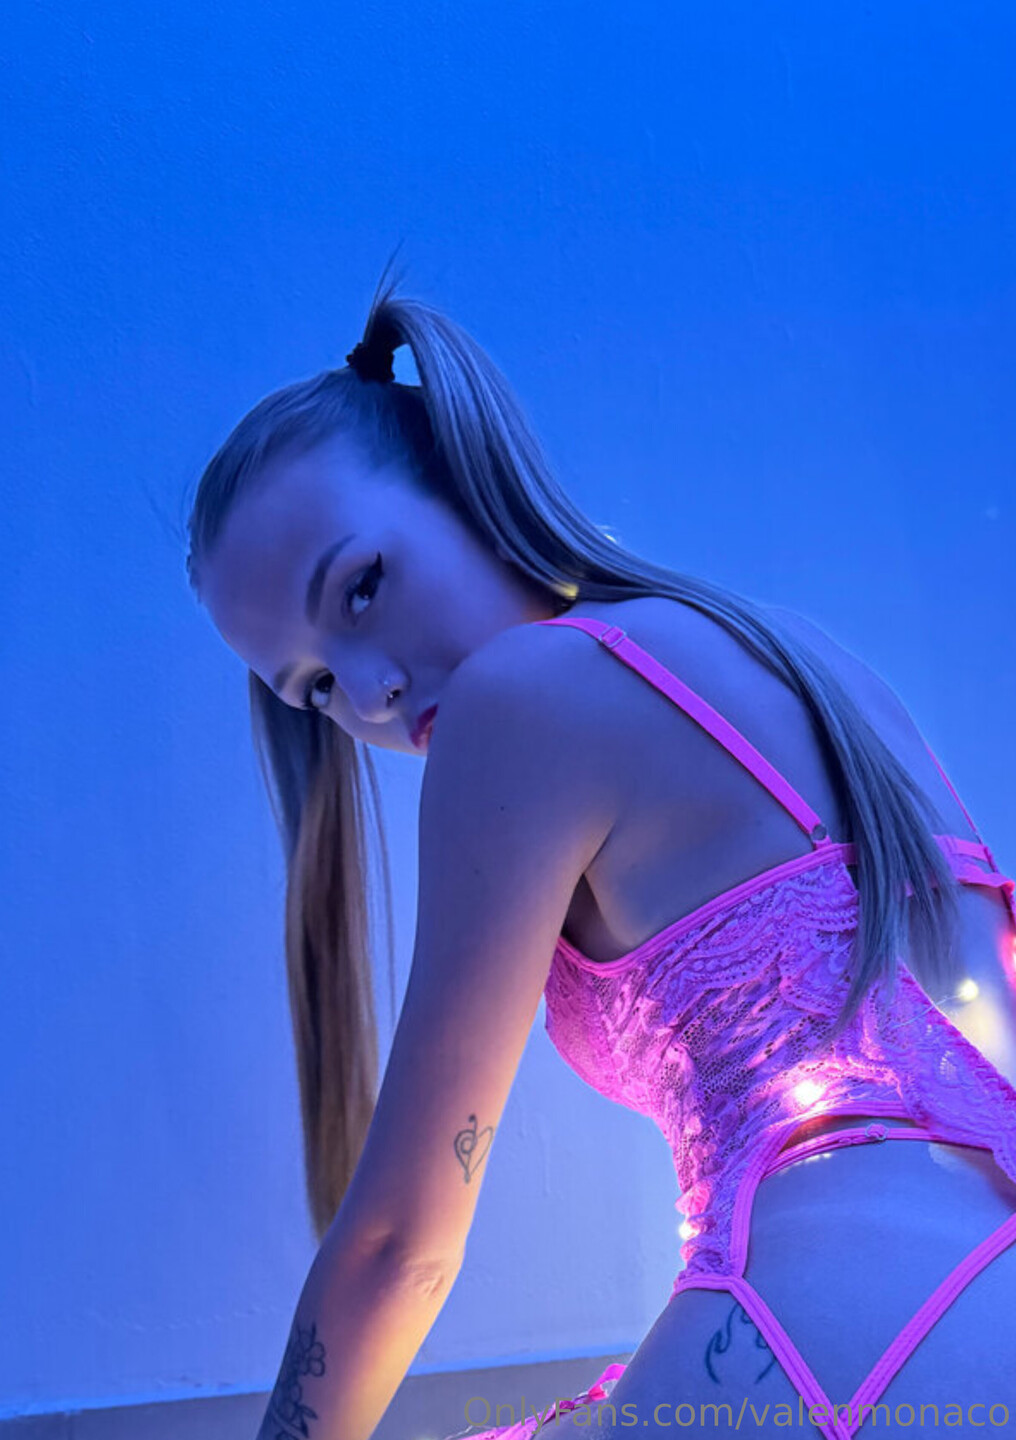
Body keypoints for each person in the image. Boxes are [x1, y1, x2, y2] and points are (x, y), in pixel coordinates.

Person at [184, 260, 1016, 1440]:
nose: (370, 693)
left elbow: (400, 1244)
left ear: (465, 479)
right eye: (314, 689)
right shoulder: (799, 653)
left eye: (362, 588)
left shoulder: (519, 701)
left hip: (828, 1350)